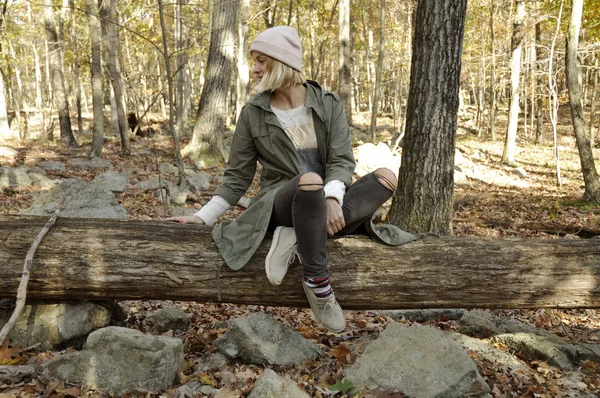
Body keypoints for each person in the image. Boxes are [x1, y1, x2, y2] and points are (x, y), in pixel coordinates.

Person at [167, 26, 411, 332]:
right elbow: (237, 177)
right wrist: (202, 217)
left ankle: (296, 235)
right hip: (280, 201)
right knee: (309, 180)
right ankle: (318, 283)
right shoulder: (252, 114)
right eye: (253, 61)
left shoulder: (327, 103)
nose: (254, 69)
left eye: (261, 62)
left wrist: (334, 198)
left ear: (282, 63)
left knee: (386, 177)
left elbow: (341, 160)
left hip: (325, 195)